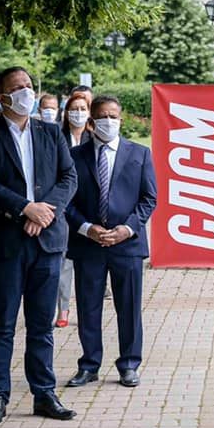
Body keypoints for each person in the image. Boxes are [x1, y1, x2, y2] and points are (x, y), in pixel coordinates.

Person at [0, 66, 78, 425]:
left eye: (29, 86)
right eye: (18, 88)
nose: (26, 93)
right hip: (6, 244)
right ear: (2, 97)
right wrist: (23, 208)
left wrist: (44, 212)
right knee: (3, 323)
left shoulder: (52, 133)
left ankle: (44, 394)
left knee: (42, 324)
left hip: (47, 242)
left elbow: (68, 177)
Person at [65, 95, 157, 388]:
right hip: (88, 243)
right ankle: (89, 364)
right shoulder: (75, 156)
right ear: (91, 122)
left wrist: (127, 229)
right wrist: (86, 228)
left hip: (126, 245)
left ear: (121, 119)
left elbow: (149, 198)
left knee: (128, 307)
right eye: (102, 116)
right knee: (88, 307)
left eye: (113, 116)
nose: (108, 121)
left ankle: (129, 364)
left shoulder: (139, 154)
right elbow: (66, 200)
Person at [55, 91, 93, 328]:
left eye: (82, 109)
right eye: (74, 109)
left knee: (87, 264)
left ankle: (87, 310)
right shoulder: (57, 138)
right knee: (64, 261)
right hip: (63, 207)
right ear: (66, 113)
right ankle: (63, 309)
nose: (78, 113)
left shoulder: (95, 138)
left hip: (88, 209)